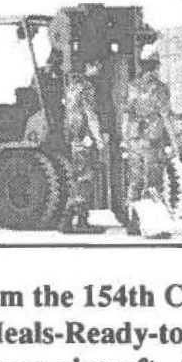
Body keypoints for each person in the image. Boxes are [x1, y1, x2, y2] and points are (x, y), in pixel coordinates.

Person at [123, 46, 179, 226]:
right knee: (154, 182)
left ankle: (132, 221)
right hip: (152, 140)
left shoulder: (132, 86)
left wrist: (126, 140)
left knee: (135, 181)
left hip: (134, 139)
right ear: (156, 67)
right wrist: (174, 142)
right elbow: (166, 116)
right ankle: (154, 224)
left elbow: (126, 115)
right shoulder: (159, 88)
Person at [62, 57, 106, 233]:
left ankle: (69, 220)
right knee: (86, 178)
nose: (99, 69)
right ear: (88, 65)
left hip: (75, 138)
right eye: (97, 65)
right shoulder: (87, 87)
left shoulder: (71, 86)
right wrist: (99, 139)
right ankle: (78, 221)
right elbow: (90, 114)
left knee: (78, 177)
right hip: (85, 137)